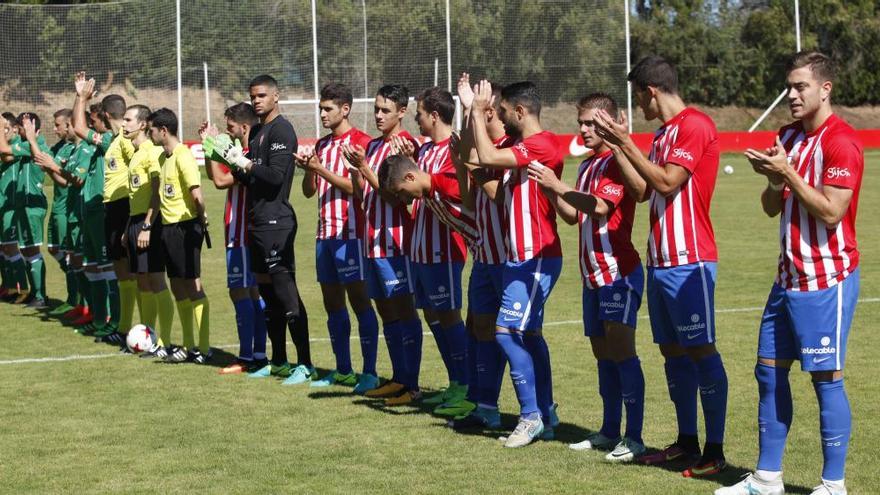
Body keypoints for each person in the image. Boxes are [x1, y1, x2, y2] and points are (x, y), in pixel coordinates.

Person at [717, 51, 864, 495]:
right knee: (768, 372)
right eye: (789, 87)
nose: (792, 95)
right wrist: (776, 181)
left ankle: (832, 485)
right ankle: (766, 479)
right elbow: (769, 207)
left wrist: (789, 173)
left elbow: (833, 212)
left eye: (800, 86)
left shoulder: (842, 141)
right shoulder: (787, 137)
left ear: (825, 89)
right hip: (786, 280)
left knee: (825, 379)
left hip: (827, 279)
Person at [593, 55, 728, 476]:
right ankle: (686, 441)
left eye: (639, 97)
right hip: (660, 261)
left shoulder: (694, 124)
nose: (639, 107)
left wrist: (627, 143)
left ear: (651, 91)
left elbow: (669, 181)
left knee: (701, 350)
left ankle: (714, 450)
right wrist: (618, 145)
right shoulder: (661, 134)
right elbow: (642, 191)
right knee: (672, 353)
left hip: (691, 262)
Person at [530, 93, 647, 462]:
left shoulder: (616, 162)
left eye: (591, 123)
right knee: (602, 355)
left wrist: (560, 186)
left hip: (618, 275)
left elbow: (600, 207)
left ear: (608, 123)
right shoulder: (588, 166)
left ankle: (635, 437)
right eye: (581, 122)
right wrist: (550, 187)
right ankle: (609, 430)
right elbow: (571, 215)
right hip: (592, 278)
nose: (583, 129)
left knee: (623, 353)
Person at [468, 80, 564, 448]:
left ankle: (531, 416)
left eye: (504, 111)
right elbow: (486, 166)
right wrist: (471, 114)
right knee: (529, 335)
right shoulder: (519, 148)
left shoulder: (542, 143)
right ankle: (547, 412)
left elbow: (488, 157)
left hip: (536, 256)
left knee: (506, 332)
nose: (501, 117)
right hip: (518, 258)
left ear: (520, 112)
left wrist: (477, 111)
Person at [214, 74, 312, 382]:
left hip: (276, 223)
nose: (256, 100)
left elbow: (275, 177)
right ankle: (279, 360)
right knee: (268, 297)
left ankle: (305, 364)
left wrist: (245, 165)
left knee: (286, 294)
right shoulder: (257, 131)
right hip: (256, 223)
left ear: (275, 97)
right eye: (253, 96)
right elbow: (250, 179)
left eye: (261, 96)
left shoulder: (282, 129)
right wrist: (225, 155)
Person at [340, 84, 424, 404]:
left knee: (403, 311)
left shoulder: (407, 148)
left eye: (385, 110)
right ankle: (398, 377)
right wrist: (357, 173)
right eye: (376, 109)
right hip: (372, 242)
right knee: (386, 312)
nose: (378, 115)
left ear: (402, 112)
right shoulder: (373, 146)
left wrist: (363, 168)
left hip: (397, 243)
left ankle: (412, 385)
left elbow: (396, 195)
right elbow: (367, 198)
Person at [377, 148, 479, 409]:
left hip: (458, 255)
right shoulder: (429, 190)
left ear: (410, 178)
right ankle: (458, 384)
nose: (402, 199)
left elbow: (476, 210)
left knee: (469, 323)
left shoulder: (446, 184)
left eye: (400, 191)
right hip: (444, 254)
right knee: (445, 319)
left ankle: (467, 388)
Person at [296, 83, 379, 392]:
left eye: (328, 108)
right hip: (324, 236)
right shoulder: (321, 145)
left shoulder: (361, 143)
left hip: (352, 235)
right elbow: (308, 192)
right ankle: (343, 369)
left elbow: (357, 190)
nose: (322, 114)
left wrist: (320, 169)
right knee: (332, 304)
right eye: (320, 108)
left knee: (360, 302)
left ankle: (369, 372)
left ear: (345, 109)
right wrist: (309, 170)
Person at [447, 73, 510, 428]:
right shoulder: (482, 152)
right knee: (479, 328)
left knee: (512, 336)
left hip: (507, 259)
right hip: (484, 257)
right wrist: (461, 165)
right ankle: (486, 406)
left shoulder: (505, 151)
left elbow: (496, 194)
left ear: (489, 113)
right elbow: (472, 202)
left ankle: (538, 411)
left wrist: (469, 160)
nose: (470, 118)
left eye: (474, 111)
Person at [200, 103, 269, 374]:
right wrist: (211, 146)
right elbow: (214, 174)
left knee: (241, 291)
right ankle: (258, 355)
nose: (228, 132)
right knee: (251, 292)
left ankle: (248, 357)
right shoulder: (241, 150)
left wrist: (212, 144)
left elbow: (218, 180)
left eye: (230, 128)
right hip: (239, 231)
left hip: (243, 232)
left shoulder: (249, 154)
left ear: (244, 127)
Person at [70, 72, 135, 343]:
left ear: (106, 115)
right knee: (113, 270)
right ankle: (116, 324)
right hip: (118, 210)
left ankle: (121, 324)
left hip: (122, 210)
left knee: (120, 271)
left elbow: (79, 129)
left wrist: (81, 98)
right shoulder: (117, 139)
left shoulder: (116, 139)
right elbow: (81, 129)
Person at [147, 108, 211, 363]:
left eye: (152, 129)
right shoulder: (164, 158)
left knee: (193, 285)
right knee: (178, 286)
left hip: (185, 228)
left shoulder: (183, 156)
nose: (150, 133)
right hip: (168, 229)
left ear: (163, 130)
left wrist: (201, 220)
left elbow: (197, 195)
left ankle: (203, 348)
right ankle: (187, 345)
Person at [120, 104, 176, 359]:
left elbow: (156, 192)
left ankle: (162, 341)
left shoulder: (152, 153)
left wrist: (146, 226)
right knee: (142, 280)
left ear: (143, 124)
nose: (123, 124)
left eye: (128, 120)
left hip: (148, 223)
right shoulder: (136, 152)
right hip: (135, 221)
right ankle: (146, 336)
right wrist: (129, 227)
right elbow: (137, 194)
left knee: (155, 280)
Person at [0, 113, 51, 308]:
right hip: (23, 206)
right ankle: (33, 293)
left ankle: (40, 295)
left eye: (23, 128)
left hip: (32, 206)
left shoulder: (36, 146)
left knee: (32, 250)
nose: (21, 132)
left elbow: (4, 149)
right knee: (26, 250)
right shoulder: (25, 146)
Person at [45, 109, 80, 316]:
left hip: (66, 208)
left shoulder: (71, 149)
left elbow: (64, 181)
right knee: (52, 248)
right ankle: (75, 292)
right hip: (56, 205)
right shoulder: (58, 147)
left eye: (57, 125)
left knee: (71, 255)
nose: (54, 129)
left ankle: (74, 298)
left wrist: (50, 167)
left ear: (68, 125)